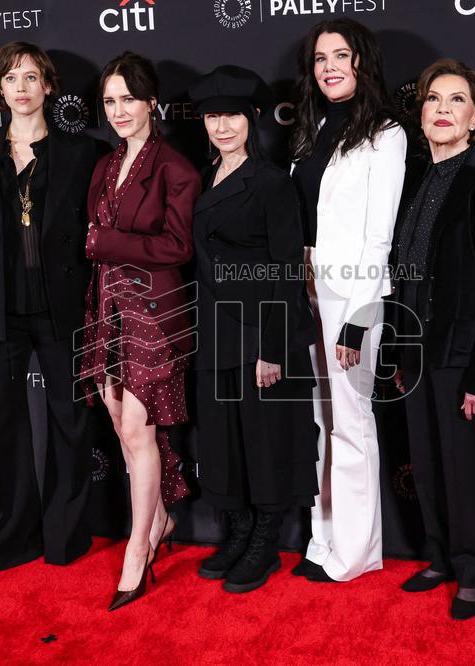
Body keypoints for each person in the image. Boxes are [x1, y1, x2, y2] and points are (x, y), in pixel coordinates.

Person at [389, 59, 475, 619]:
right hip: (413, 352)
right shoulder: (413, 179)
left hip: (460, 356)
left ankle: (472, 570)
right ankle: (440, 555)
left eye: (456, 101)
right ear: (421, 114)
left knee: (464, 471)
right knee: (424, 462)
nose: (442, 109)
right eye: (433, 99)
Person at [0, 42, 100, 572]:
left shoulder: (81, 153)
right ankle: (14, 535)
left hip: (61, 306)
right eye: (11, 78)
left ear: (48, 86)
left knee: (70, 421)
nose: (21, 88)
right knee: (1, 422)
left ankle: (66, 535)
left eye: (31, 77)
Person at [187, 66, 319, 593]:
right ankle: (239, 533)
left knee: (264, 442)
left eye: (233, 116)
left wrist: (273, 348)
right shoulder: (204, 177)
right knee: (222, 440)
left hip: (260, 330)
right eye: (213, 116)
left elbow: (288, 268)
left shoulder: (271, 183)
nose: (222, 126)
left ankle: (264, 544)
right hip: (213, 329)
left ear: (253, 119)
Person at [81, 51, 201, 610]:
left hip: (156, 311)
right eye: (110, 101)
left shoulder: (176, 168)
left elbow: (178, 247)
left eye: (129, 98)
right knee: (119, 420)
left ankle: (138, 548)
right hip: (106, 308)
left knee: (138, 427)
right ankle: (162, 521)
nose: (119, 110)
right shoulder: (105, 166)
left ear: (151, 101)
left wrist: (107, 245)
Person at [289, 19, 407, 583]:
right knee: (321, 420)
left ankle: (356, 552)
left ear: (363, 62)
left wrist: (358, 322)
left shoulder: (388, 134)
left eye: (342, 55)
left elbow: (378, 235)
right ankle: (324, 536)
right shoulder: (311, 130)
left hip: (353, 295)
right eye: (320, 58)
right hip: (310, 285)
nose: (330, 66)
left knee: (352, 421)